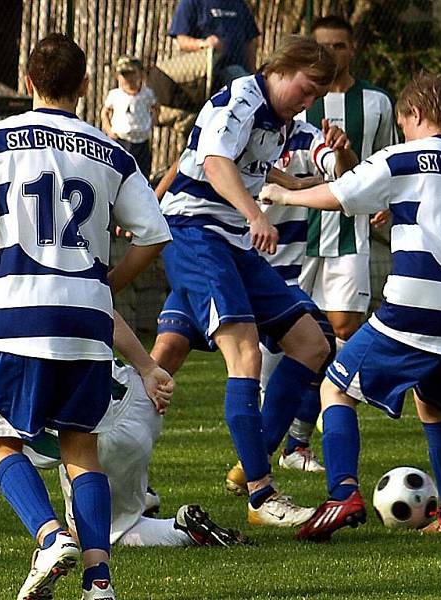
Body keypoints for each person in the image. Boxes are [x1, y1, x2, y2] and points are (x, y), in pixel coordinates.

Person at [0, 33, 171, 600]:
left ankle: (48, 537)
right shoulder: (110, 151)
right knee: (80, 449)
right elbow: (154, 235)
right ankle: (98, 581)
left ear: (26, 82)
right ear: (86, 86)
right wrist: (106, 284)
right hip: (87, 321)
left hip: (21, 313)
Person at [260, 73, 441, 541]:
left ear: (415, 116)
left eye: (403, 124)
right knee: (437, 407)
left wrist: (284, 194)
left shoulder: (405, 157)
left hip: (420, 302)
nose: (402, 133)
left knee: (336, 389)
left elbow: (341, 193)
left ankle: (341, 494)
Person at [0, 303, 248, 553]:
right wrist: (147, 368)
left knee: (98, 537)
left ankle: (182, 530)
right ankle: (139, 495)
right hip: (141, 398)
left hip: (99, 437)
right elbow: (101, 311)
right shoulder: (12, 313)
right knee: (96, 498)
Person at [158, 36, 336, 528]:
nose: (309, 100)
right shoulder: (242, 99)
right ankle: (262, 494)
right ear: (285, 68)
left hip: (231, 243)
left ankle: (250, 465)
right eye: (307, 88)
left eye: (317, 94)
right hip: (196, 234)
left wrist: (309, 185)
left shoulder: (279, 121)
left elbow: (251, 168)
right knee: (245, 355)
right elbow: (214, 164)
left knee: (311, 344)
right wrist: (256, 214)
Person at [283, 14, 398, 467]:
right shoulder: (297, 102)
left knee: (344, 331)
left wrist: (388, 200)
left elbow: (386, 159)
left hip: (349, 231)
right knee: (291, 339)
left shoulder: (376, 102)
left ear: (353, 50)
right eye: (323, 46)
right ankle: (282, 436)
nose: (331, 53)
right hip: (297, 233)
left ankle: (306, 437)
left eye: (340, 46)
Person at [168, 0, 260, 87]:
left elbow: (250, 41)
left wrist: (252, 72)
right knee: (236, 75)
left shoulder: (239, 4)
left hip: (240, 72)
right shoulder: (191, 2)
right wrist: (204, 44)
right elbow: (182, 40)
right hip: (207, 76)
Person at [101, 56, 159, 179]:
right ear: (117, 76)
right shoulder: (115, 95)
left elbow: (156, 108)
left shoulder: (146, 94)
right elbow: (105, 112)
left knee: (142, 174)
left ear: (140, 74)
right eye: (124, 74)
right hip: (121, 140)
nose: (128, 78)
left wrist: (151, 124)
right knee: (119, 173)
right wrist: (109, 130)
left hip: (141, 142)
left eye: (132, 73)